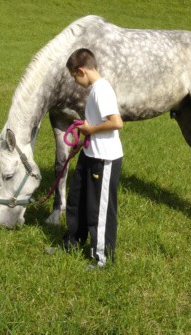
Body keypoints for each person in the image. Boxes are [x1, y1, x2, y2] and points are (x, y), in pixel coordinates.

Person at [62, 48, 124, 269]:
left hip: (104, 159)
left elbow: (117, 122)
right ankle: (72, 241)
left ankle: (102, 257)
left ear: (81, 71)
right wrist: (82, 141)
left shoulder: (102, 90)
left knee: (98, 209)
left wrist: (90, 129)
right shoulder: (96, 90)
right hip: (90, 154)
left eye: (74, 77)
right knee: (77, 200)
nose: (75, 82)